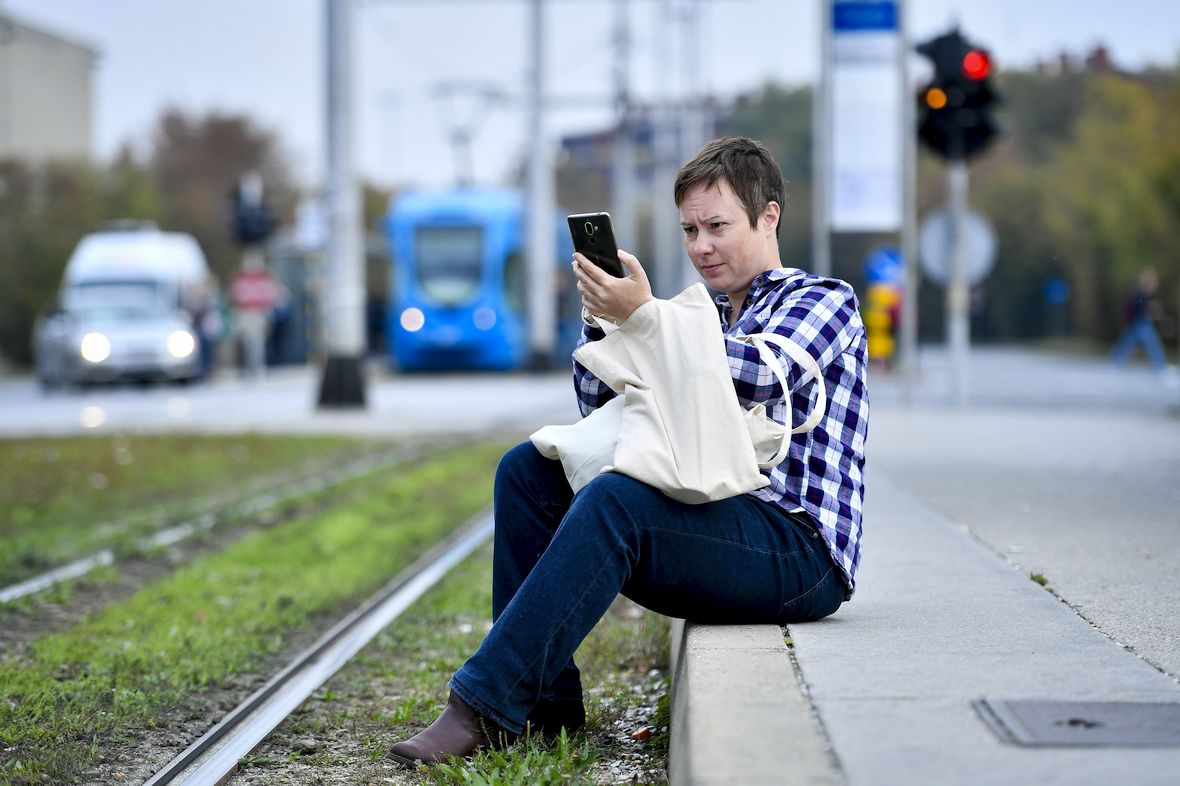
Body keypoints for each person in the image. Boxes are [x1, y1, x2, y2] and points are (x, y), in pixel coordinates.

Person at [388, 136, 869, 765]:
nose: (701, 246)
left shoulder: (825, 300)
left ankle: (480, 706)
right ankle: (544, 710)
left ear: (768, 217)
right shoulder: (695, 318)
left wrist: (645, 318)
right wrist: (607, 323)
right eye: (689, 230)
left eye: (717, 226)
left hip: (800, 550)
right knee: (528, 470)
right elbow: (602, 411)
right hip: (717, 516)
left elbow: (761, 376)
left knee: (617, 501)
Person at [1110, 268, 1177, 385]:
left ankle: (1115, 364)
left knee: (1128, 344)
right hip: (1141, 323)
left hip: (1139, 324)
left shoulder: (1144, 294)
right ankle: (1160, 369)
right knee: (1152, 345)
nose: (1154, 284)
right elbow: (1144, 310)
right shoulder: (1141, 294)